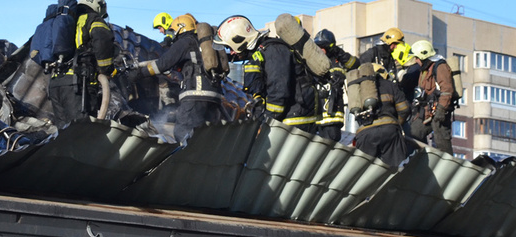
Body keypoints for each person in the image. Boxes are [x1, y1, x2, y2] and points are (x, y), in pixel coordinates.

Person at [131, 14, 224, 142]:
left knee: (182, 132)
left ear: (181, 28)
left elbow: (163, 64)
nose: (173, 34)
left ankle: (187, 160)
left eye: (174, 30)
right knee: (206, 137)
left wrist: (140, 73)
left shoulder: (185, 42)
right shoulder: (202, 44)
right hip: (215, 97)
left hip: (196, 93)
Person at [216, 15, 317, 132]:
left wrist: (265, 124)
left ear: (240, 40)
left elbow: (278, 94)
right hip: (283, 121)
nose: (232, 52)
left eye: (230, 47)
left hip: (292, 124)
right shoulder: (260, 53)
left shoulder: (274, 51)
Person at [48, 0, 116, 124]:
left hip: (55, 84)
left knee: (64, 134)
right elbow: (103, 41)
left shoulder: (63, 20)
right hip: (78, 85)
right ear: (98, 5)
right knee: (83, 133)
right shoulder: (92, 19)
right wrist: (106, 70)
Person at [353, 63, 411, 167]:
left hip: (365, 133)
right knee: (396, 170)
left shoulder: (358, 89)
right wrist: (398, 123)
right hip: (390, 131)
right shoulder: (389, 85)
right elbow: (404, 109)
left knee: (364, 171)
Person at [408, 39, 456, 155]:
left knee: (443, 144)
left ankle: (448, 168)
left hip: (439, 112)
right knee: (412, 135)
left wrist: (440, 110)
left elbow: (447, 90)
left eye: (417, 58)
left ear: (423, 56)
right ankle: (417, 161)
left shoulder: (440, 67)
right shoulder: (425, 69)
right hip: (426, 112)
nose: (416, 60)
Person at [313, 29, 356, 142]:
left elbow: (355, 65)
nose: (319, 51)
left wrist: (338, 51)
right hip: (316, 119)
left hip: (331, 118)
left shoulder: (336, 63)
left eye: (323, 48)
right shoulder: (312, 64)